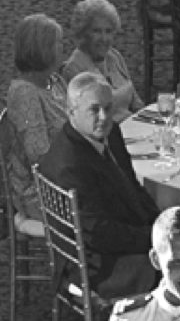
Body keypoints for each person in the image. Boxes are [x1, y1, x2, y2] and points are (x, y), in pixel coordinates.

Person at [37, 73, 164, 304]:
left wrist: (161, 223)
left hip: (115, 237)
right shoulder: (70, 165)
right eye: (94, 110)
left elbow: (132, 186)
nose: (104, 117)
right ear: (71, 111)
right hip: (94, 265)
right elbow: (98, 233)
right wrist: (155, 239)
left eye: (108, 107)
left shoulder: (110, 133)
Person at [1, 13, 71, 207]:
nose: (63, 47)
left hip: (68, 174)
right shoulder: (25, 94)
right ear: (41, 48)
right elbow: (40, 158)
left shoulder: (54, 81)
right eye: (58, 43)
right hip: (41, 190)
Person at [64, 0, 139, 123]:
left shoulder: (114, 56)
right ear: (84, 34)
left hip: (132, 129)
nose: (104, 38)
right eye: (97, 31)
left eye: (108, 31)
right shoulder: (74, 69)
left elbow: (136, 102)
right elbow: (90, 121)